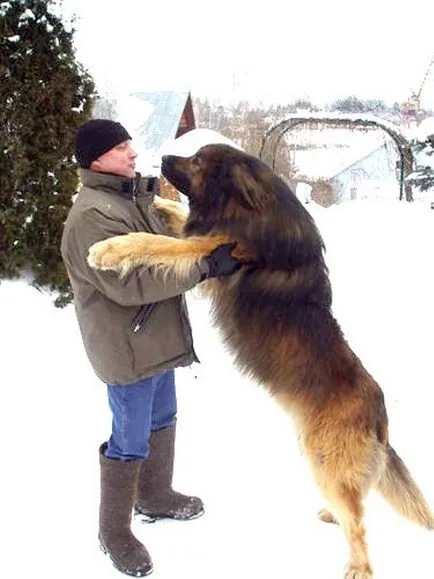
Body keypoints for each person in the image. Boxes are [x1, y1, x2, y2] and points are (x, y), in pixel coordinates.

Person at [61, 119, 241, 577]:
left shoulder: (132, 199)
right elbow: (132, 279)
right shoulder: (92, 215)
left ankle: (155, 496)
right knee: (130, 437)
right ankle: (113, 531)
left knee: (163, 419)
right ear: (96, 158)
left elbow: (166, 247)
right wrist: (202, 268)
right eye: (121, 147)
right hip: (127, 347)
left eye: (129, 144)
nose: (132, 153)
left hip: (154, 337)